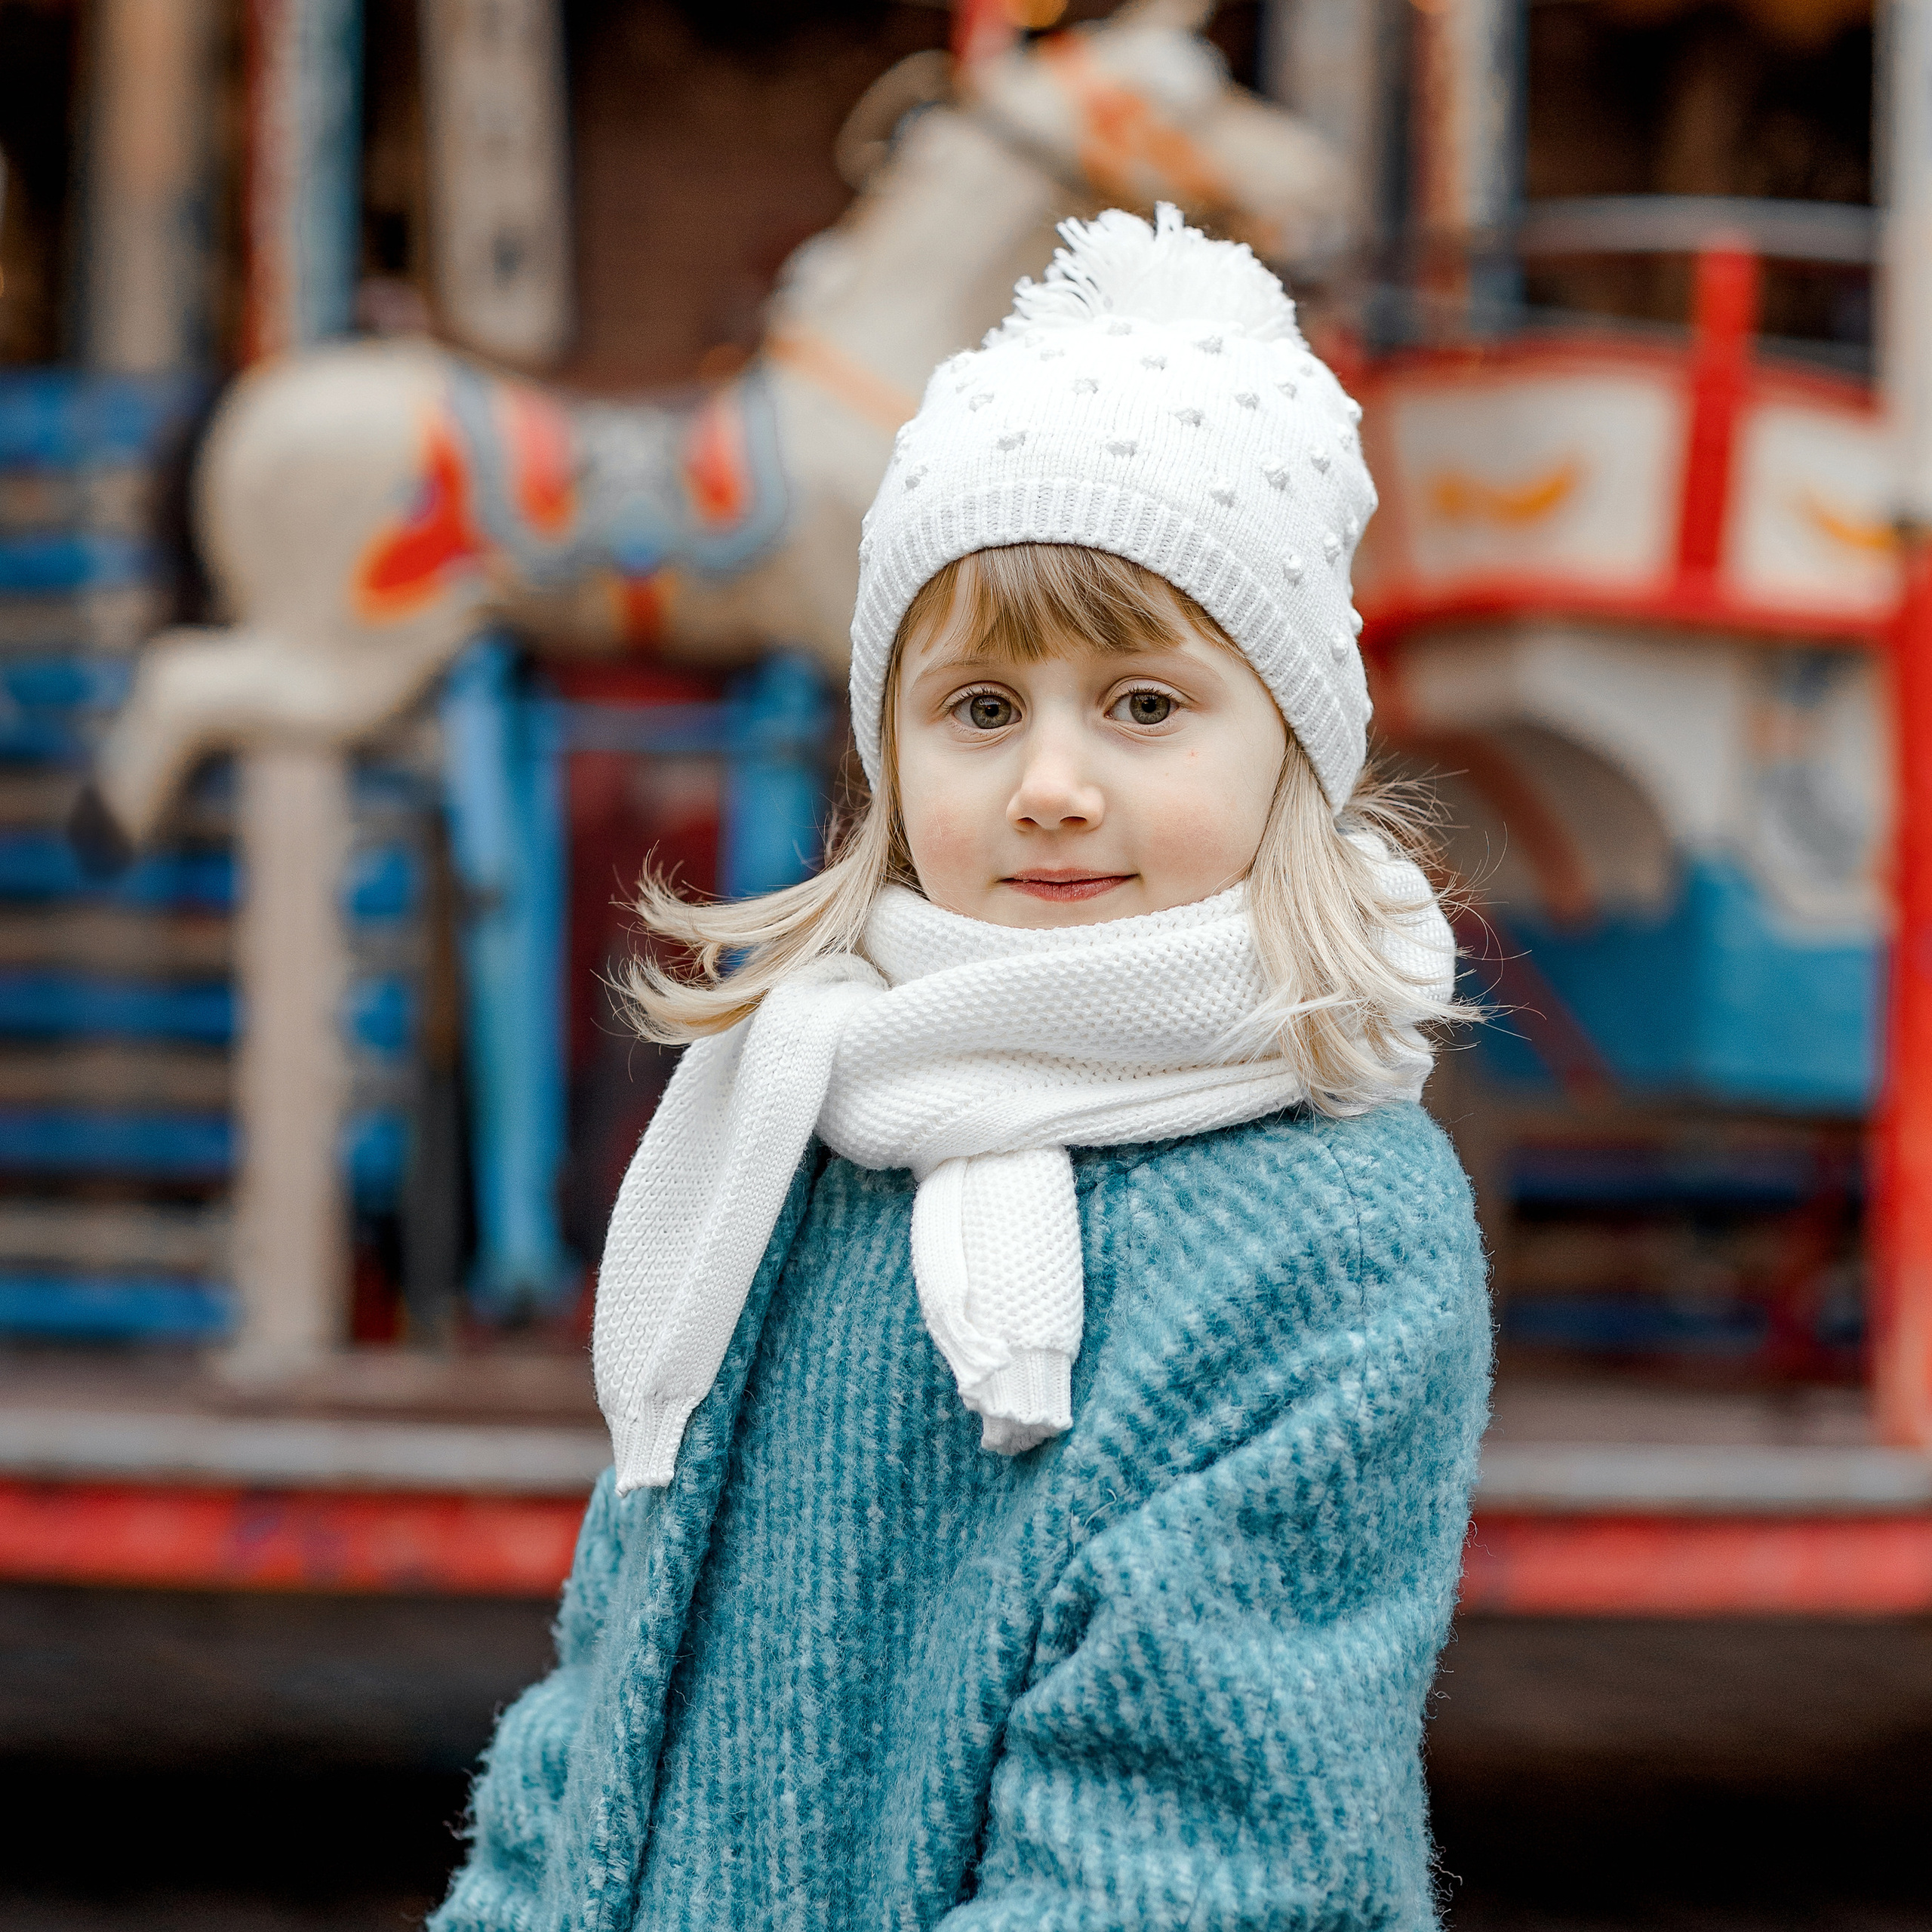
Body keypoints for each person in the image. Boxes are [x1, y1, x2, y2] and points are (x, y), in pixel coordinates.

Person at [434, 205, 1491, 1932]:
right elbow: (603, 1687)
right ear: (886, 745)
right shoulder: (792, 1122)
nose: (1050, 782)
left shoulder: (1334, 1229)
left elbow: (1192, 1853)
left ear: (1288, 740)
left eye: (1141, 704)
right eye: (979, 708)